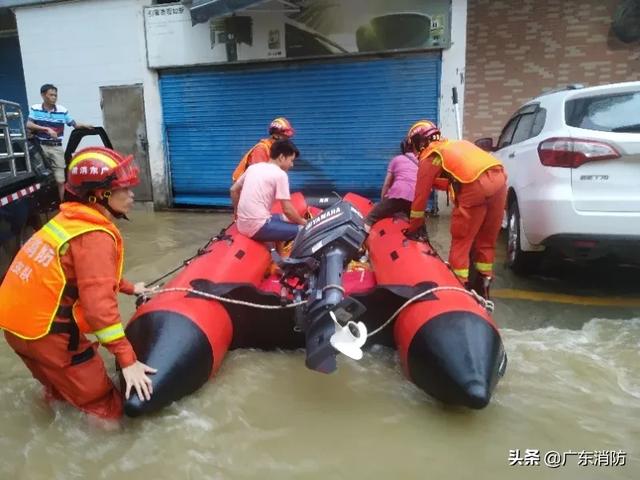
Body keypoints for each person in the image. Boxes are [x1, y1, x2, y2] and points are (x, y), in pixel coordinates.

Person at [0, 147, 157, 420]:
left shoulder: (68, 220)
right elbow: (100, 312)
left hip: (17, 329)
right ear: (100, 194)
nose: (132, 196)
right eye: (125, 189)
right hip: (49, 334)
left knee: (59, 391)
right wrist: (127, 359)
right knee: (103, 404)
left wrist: (132, 288)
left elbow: (86, 274)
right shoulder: (95, 236)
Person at [404, 120, 507, 299]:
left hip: (475, 186)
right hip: (499, 181)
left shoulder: (431, 154)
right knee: (486, 241)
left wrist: (414, 228)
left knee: (461, 241)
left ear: (419, 141)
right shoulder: (457, 145)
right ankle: (483, 289)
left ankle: (459, 293)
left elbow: (419, 200)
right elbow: (462, 177)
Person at [230, 139, 306, 242]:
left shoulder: (253, 168)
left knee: (284, 218)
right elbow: (288, 210)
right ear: (282, 157)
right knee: (304, 230)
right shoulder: (280, 174)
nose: (292, 165)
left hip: (241, 225)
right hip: (257, 227)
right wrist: (303, 223)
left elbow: (233, 190)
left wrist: (237, 211)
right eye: (291, 160)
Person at [26, 84, 93, 201]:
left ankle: (62, 203)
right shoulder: (35, 108)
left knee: (60, 180)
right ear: (43, 95)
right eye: (51, 95)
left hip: (56, 148)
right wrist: (46, 129)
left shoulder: (62, 111)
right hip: (40, 147)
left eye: (55, 95)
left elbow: (74, 124)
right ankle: (43, 202)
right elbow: (29, 124)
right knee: (41, 177)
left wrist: (85, 125)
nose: (54, 97)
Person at [364, 138, 418, 230]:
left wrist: (383, 201)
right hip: (415, 199)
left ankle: (361, 242)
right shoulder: (419, 163)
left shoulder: (396, 159)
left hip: (398, 195)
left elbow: (387, 184)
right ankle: (421, 240)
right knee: (417, 225)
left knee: (370, 218)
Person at [231, 117, 295, 183]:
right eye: (284, 137)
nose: (287, 141)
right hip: (242, 187)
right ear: (275, 135)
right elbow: (259, 176)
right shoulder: (261, 149)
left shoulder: (274, 149)